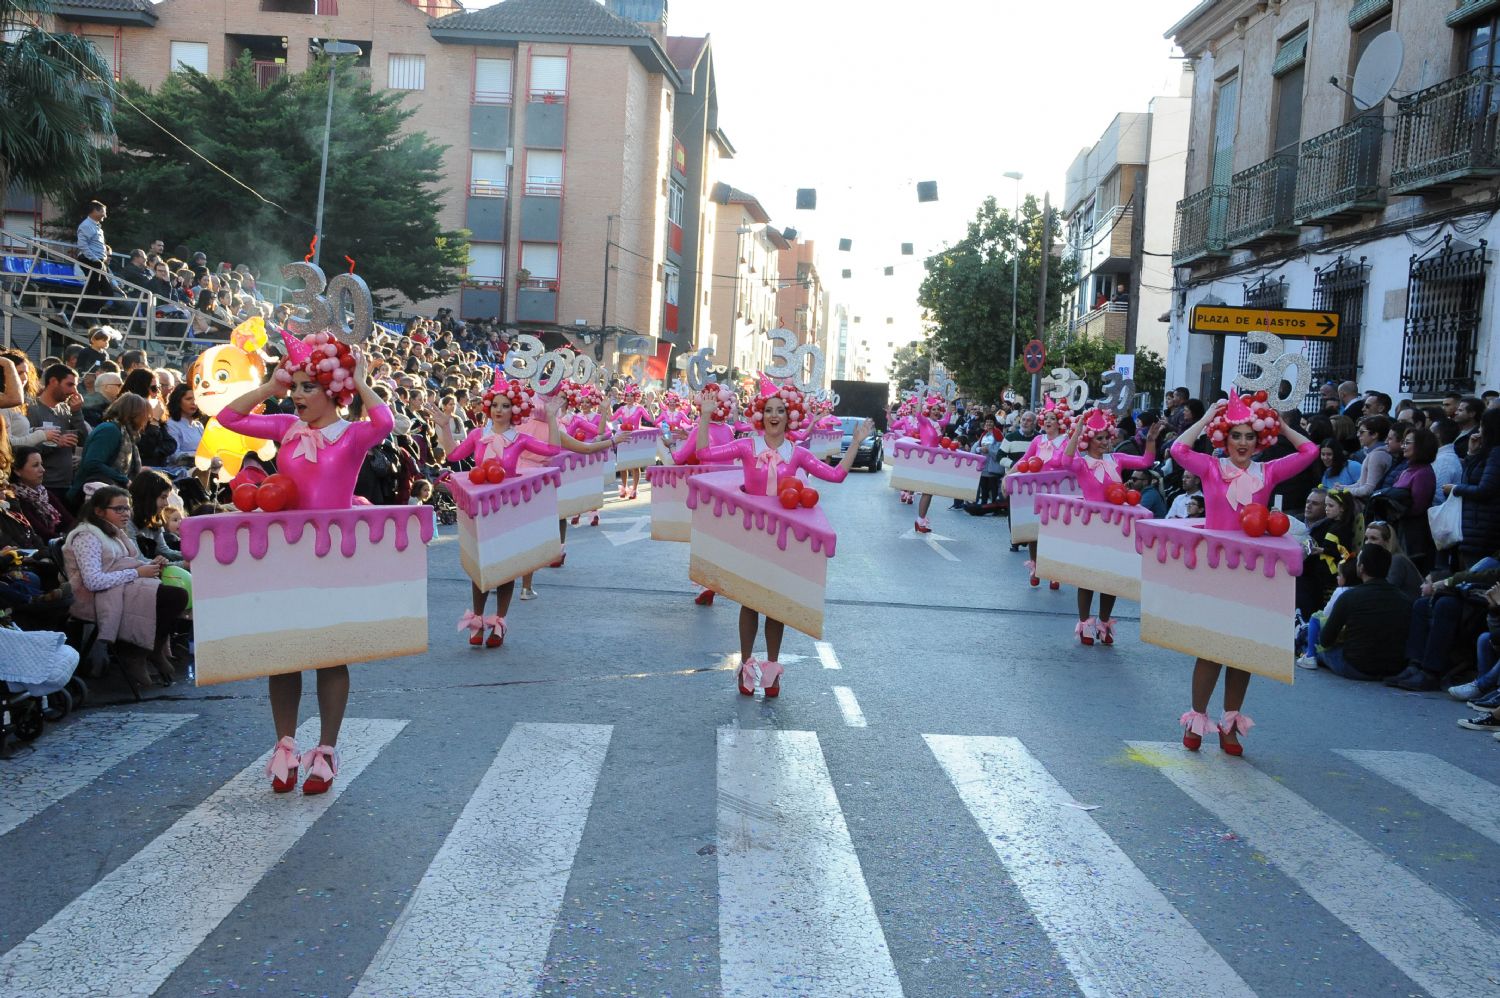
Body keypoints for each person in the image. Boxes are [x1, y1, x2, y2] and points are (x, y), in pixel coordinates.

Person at [218, 327, 389, 796]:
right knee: (284, 653)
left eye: (305, 387)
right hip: (286, 554)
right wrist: (270, 388)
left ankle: (327, 750)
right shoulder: (283, 428)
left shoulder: (352, 435)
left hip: (333, 557)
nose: (296, 395)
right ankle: (286, 747)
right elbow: (228, 417)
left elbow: (384, 423)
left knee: (330, 655)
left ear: (333, 391)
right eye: (294, 387)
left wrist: (362, 378)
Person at [691, 381, 873, 697]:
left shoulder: (798, 453)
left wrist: (855, 442)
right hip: (750, 533)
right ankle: (746, 666)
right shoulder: (747, 446)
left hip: (783, 538)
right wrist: (705, 417)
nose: (774, 415)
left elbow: (836, 476)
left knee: (777, 604)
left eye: (781, 411)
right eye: (769, 410)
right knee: (749, 601)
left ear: (790, 417)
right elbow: (703, 452)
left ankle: (772, 671)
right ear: (760, 416)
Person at [1171, 391, 1318, 754]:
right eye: (1235, 435)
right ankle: (1198, 718)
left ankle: (1230, 724)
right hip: (1216, 570)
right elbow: (1178, 450)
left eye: (1250, 436)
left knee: (1244, 650)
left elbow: (1310, 452)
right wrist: (1206, 418)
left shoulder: (1267, 471)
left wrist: (1282, 425)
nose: (1242, 442)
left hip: (1253, 573)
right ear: (1224, 438)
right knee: (1210, 648)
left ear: (1259, 440)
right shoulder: (1210, 467)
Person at [432, 377, 564, 648]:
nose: (499, 410)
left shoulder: (520, 440)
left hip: (508, 509)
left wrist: (551, 417)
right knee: (480, 567)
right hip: (481, 510)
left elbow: (553, 449)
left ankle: (499, 622)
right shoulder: (477, 436)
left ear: (515, 410)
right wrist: (444, 427)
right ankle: (478, 619)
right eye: (495, 405)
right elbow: (454, 456)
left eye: (505, 405)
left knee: (506, 568)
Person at [62, 484, 187, 687]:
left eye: (127, 508)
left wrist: (153, 565)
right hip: (93, 597)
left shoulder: (113, 533)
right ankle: (135, 652)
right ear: (99, 511)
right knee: (172, 597)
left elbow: (129, 561)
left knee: (177, 595)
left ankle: (149, 648)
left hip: (119, 589)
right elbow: (93, 581)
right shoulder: (86, 536)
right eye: (118, 509)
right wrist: (137, 573)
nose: (125, 513)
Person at [1061, 407, 1162, 646]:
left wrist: (1150, 440)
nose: (1105, 442)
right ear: (1089, 440)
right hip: (1091, 526)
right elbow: (1065, 460)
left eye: (1107, 437)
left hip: (1116, 527)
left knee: (1111, 576)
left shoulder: (1116, 460)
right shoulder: (1082, 463)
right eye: (1099, 438)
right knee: (1087, 577)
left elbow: (1146, 461)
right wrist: (1076, 432)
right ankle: (1085, 624)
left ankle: (1104, 623)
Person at [1308, 545, 1412, 681]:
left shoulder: (1350, 596)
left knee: (1316, 645)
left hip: (1356, 666)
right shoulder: (1404, 599)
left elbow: (1326, 639)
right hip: (1394, 668)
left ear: (1361, 568)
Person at [24, 363, 88, 511]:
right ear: (53, 382)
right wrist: (54, 443)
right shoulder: (32, 410)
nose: (74, 391)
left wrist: (77, 413)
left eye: (76, 386)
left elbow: (85, 440)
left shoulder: (66, 409)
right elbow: (25, 448)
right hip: (44, 485)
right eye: (70, 385)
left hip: (67, 484)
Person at [1444, 406, 1500, 569]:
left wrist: (1455, 489)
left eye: (1482, 425)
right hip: (1475, 525)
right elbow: (1471, 478)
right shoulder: (1489, 452)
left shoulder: (1496, 453)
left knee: (1475, 579)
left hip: (1484, 527)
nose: (1479, 429)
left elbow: (1485, 489)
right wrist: (1471, 454)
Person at [70, 393, 150, 505]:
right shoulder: (110, 430)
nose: (147, 419)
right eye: (145, 415)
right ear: (134, 414)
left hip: (107, 494)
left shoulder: (126, 434)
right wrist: (123, 479)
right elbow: (92, 463)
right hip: (91, 496)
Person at [6, 446, 72, 541]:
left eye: (41, 464)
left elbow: (69, 521)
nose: (43, 470)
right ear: (17, 471)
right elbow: (42, 534)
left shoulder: (44, 494)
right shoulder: (15, 500)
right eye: (35, 465)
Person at [73, 200, 119, 321]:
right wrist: (95, 260)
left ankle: (90, 313)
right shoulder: (86, 225)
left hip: (98, 262)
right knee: (92, 289)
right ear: (95, 211)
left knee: (107, 292)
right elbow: (82, 245)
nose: (105, 215)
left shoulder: (96, 226)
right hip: (91, 260)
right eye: (103, 212)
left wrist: (100, 261)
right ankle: (82, 315)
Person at [1363, 519, 1424, 599]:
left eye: (1373, 538)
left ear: (1388, 542)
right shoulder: (1380, 562)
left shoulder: (1396, 560)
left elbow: (1385, 593)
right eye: (1366, 538)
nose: (1368, 542)